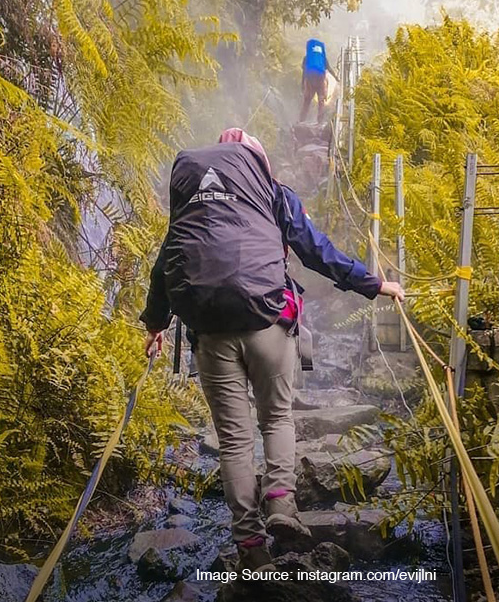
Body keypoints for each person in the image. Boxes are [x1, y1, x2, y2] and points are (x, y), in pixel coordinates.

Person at [140, 128, 404, 572]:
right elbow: (315, 248)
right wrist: (373, 284)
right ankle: (281, 503)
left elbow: (166, 264)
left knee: (235, 440)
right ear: (258, 163)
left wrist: (155, 325)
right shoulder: (272, 192)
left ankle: (249, 544)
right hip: (267, 321)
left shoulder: (191, 204)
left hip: (210, 333)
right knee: (277, 416)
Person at [299, 38, 330, 123]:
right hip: (321, 80)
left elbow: (304, 72)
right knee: (321, 101)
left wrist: (302, 84)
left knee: (307, 101)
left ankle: (301, 120)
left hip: (310, 80)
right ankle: (320, 122)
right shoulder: (323, 58)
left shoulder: (307, 57)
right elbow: (329, 68)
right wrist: (337, 78)